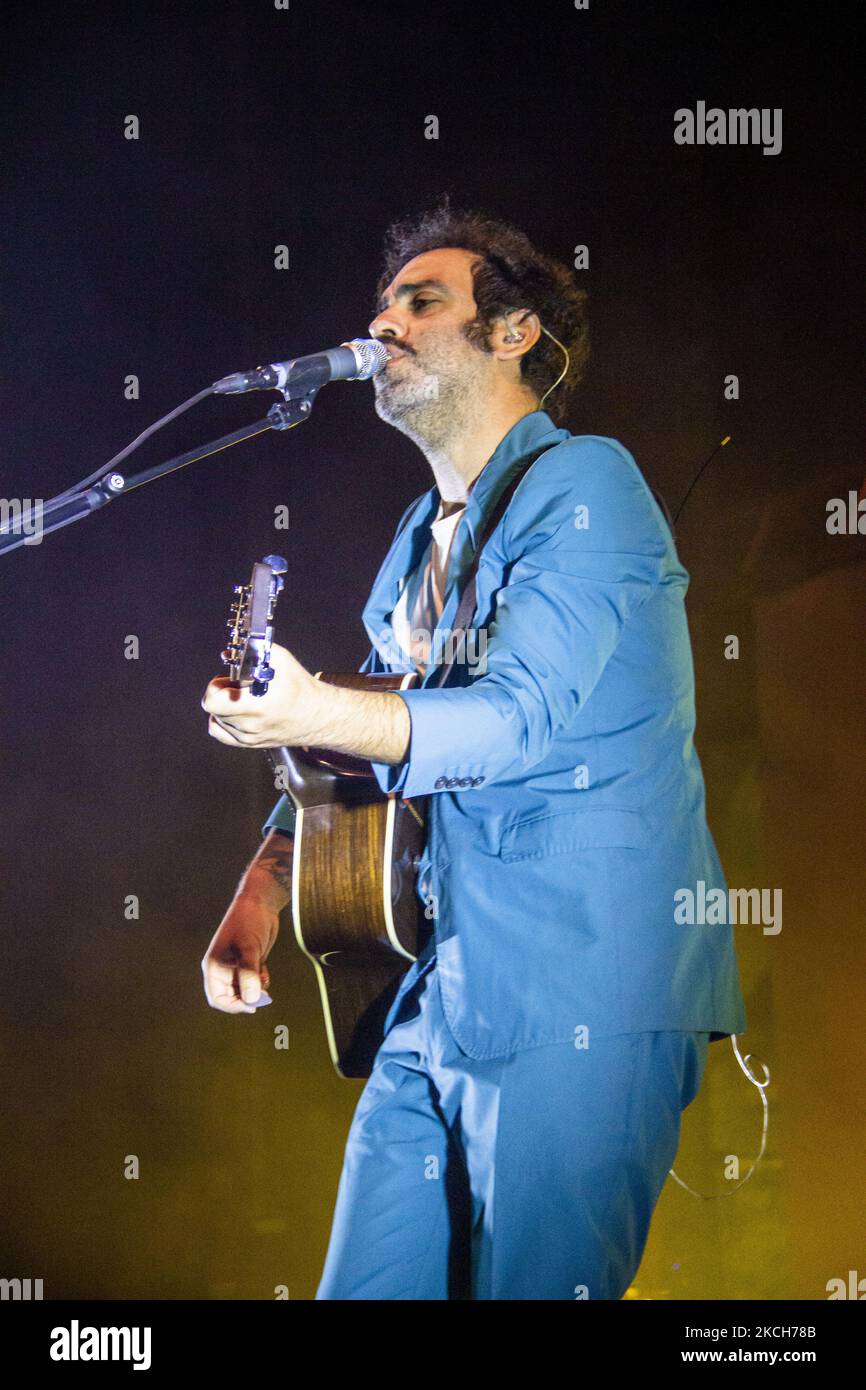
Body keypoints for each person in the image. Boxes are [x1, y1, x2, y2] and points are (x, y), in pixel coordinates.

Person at [200, 200, 747, 1300]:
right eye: (381, 303)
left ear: (512, 334)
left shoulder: (587, 484)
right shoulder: (415, 539)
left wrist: (311, 711)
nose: (382, 325)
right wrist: (263, 885)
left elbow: (509, 717)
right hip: (437, 993)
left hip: (580, 983)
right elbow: (360, 738)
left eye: (421, 300)